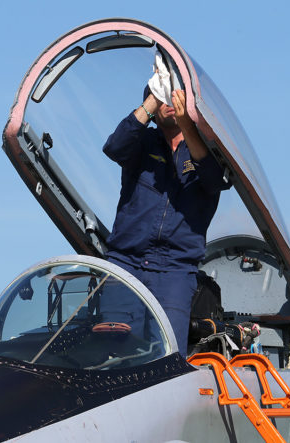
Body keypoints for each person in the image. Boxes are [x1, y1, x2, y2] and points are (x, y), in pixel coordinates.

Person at [101, 65, 231, 358]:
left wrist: (188, 124)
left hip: (175, 270)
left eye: (177, 96)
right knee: (110, 355)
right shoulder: (141, 143)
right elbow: (114, 148)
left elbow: (213, 180)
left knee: (168, 358)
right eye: (164, 96)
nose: (170, 102)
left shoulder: (205, 150)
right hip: (126, 262)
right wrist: (151, 99)